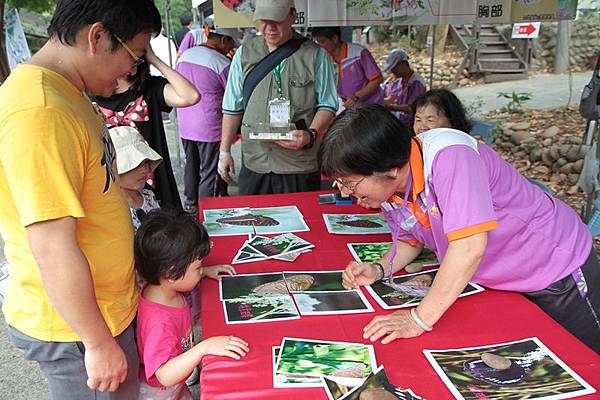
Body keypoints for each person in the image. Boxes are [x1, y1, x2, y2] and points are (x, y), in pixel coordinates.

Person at [319, 104, 600, 354]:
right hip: (502, 281)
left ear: (389, 168)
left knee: (586, 355)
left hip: (555, 267)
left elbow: (469, 247)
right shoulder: (392, 188)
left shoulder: (450, 157)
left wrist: (417, 319)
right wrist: (379, 268)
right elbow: (410, 239)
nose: (344, 191)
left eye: (349, 182)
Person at [0, 1, 161, 398]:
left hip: (100, 313)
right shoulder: (41, 112)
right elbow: (52, 247)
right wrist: (97, 342)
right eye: (135, 56)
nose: (133, 70)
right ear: (98, 36)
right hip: (79, 327)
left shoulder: (65, 93)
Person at [218, 0, 338, 195]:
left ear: (292, 16)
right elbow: (232, 107)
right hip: (256, 161)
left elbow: (328, 104)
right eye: (264, 20)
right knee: (256, 220)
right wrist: (224, 152)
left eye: (277, 20)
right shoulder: (244, 54)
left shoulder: (315, 55)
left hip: (298, 165)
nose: (270, 27)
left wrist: (311, 134)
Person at [134, 209, 249, 399]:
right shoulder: (159, 322)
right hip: (161, 393)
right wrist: (204, 347)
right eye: (198, 266)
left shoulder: (162, 286)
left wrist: (204, 272)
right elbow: (164, 374)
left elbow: (180, 276)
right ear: (172, 273)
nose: (201, 267)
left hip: (176, 386)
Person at [92, 45, 200, 210]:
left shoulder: (150, 88)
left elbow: (191, 96)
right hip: (111, 193)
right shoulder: (90, 95)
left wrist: (154, 58)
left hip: (155, 184)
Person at [176, 28, 238, 213]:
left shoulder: (185, 56)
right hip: (209, 127)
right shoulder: (221, 62)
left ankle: (191, 204)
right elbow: (233, 95)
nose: (230, 49)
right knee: (210, 172)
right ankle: (206, 211)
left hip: (185, 124)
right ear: (224, 40)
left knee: (191, 165)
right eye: (231, 45)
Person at [311, 26, 383, 109]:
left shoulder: (358, 53)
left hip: (372, 107)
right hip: (350, 108)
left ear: (335, 38)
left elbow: (377, 79)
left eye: (322, 42)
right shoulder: (324, 59)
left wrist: (357, 96)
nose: (319, 47)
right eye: (317, 43)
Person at [109, 126, 162, 231]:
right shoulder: (110, 209)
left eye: (146, 162)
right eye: (135, 164)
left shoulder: (149, 197)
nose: (145, 169)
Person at [381, 48, 426, 126]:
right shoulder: (400, 80)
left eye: (394, 68)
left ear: (403, 64)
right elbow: (393, 97)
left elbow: (411, 108)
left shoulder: (416, 83)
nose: (392, 71)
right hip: (399, 122)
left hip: (409, 125)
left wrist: (390, 107)